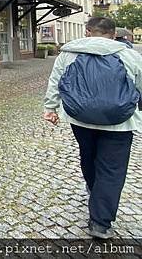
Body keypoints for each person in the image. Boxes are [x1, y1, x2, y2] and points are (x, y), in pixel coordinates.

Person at [43, 16, 142, 239]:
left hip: (81, 119)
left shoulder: (69, 53)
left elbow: (56, 81)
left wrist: (50, 108)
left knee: (88, 156)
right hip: (120, 122)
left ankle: (94, 189)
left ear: (88, 32)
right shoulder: (129, 55)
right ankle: (100, 223)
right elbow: (140, 83)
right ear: (113, 33)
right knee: (112, 169)